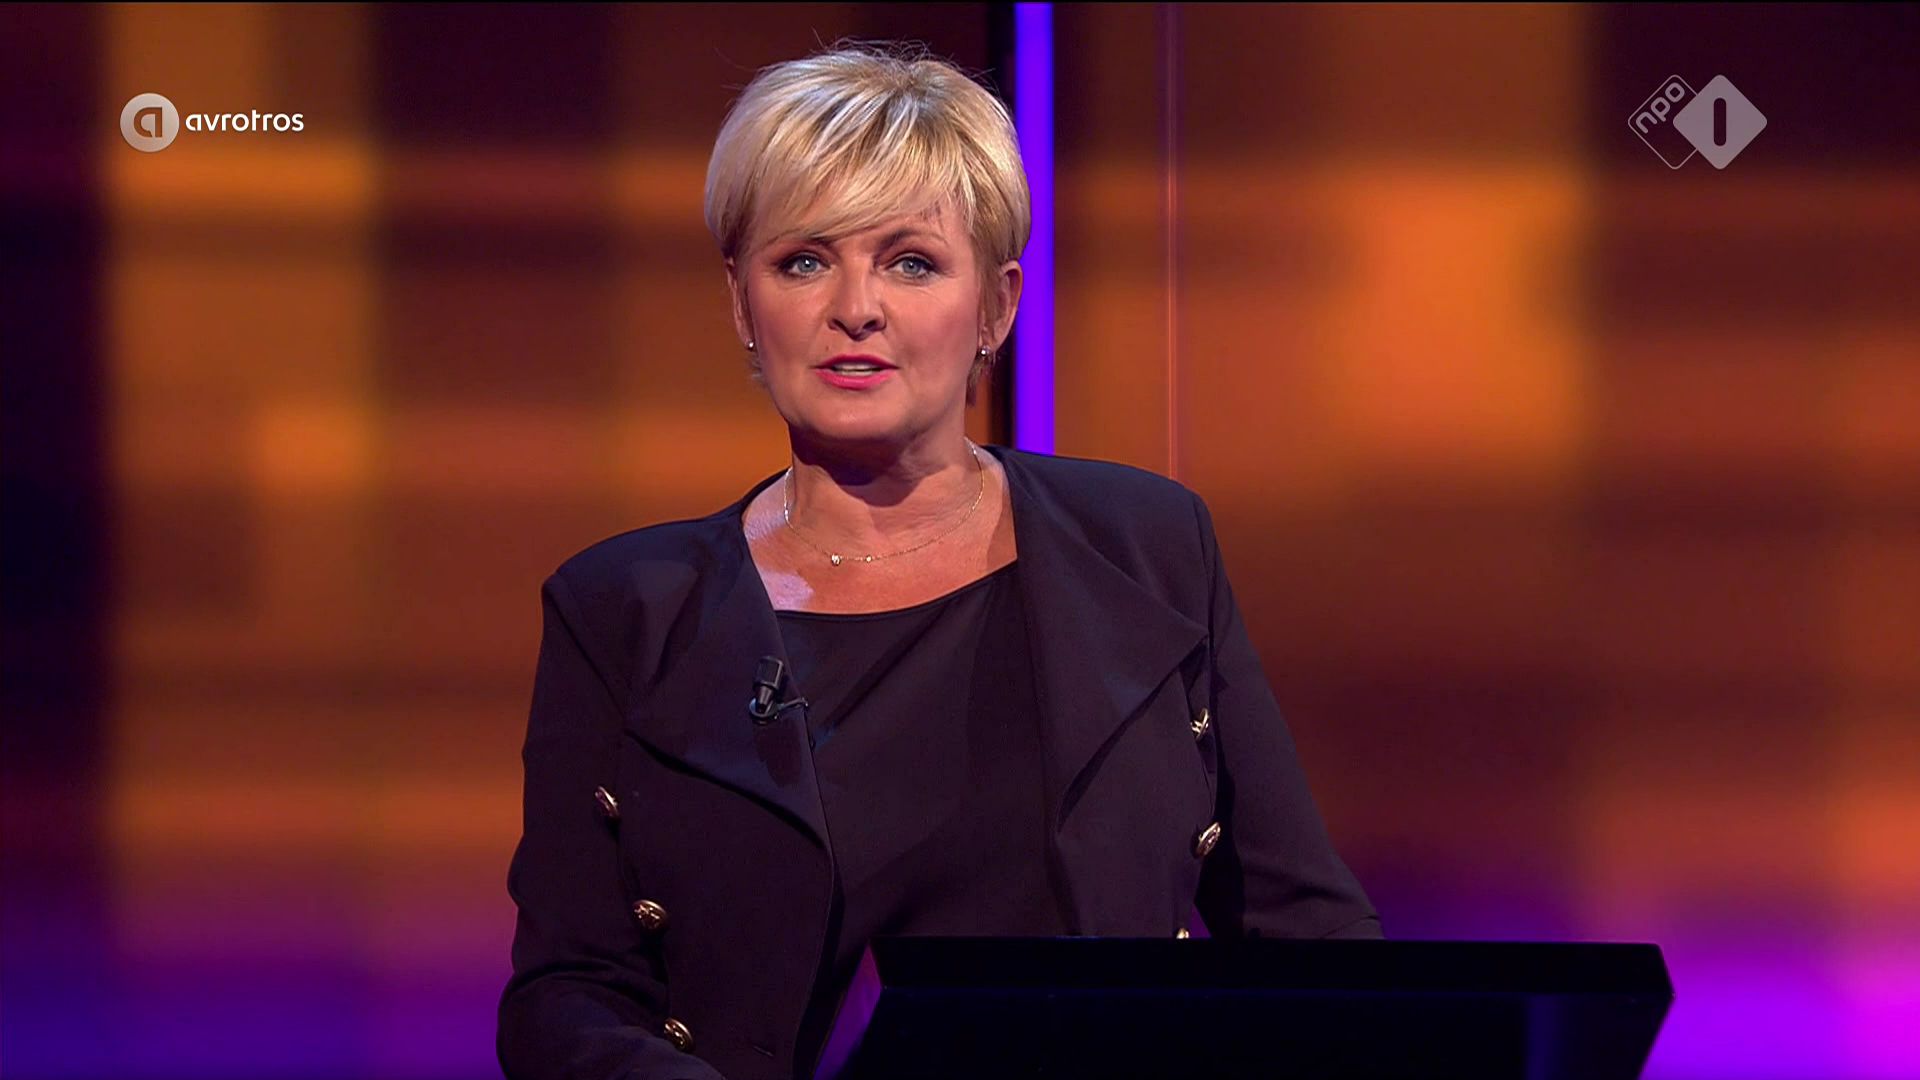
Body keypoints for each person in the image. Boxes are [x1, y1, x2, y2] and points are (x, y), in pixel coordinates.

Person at [496, 42, 1379, 1080]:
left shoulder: (1148, 544)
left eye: (910, 261)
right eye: (804, 261)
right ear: (742, 303)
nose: (855, 307)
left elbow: (1303, 930)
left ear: (998, 306)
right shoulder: (624, 609)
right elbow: (567, 997)